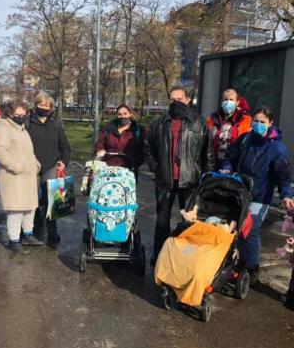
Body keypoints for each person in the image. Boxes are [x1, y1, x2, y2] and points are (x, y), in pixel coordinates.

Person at [223, 106, 294, 285]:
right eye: (256, 121)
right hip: (239, 192)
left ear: (270, 123)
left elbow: (283, 177)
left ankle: (252, 266)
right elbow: (230, 156)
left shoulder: (277, 149)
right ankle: (234, 259)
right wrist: (226, 167)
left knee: (250, 230)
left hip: (259, 198)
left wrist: (286, 195)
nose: (258, 124)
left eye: (263, 122)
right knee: (231, 226)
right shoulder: (245, 139)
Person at [145, 86, 215, 264]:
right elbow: (148, 148)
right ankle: (159, 256)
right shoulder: (159, 123)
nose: (176, 102)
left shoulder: (199, 123)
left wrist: (207, 175)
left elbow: (208, 152)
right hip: (165, 180)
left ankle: (186, 258)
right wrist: (156, 167)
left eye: (180, 99)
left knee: (189, 222)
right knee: (162, 221)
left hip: (190, 180)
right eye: (172, 99)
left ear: (188, 100)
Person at [0, 102, 43, 253]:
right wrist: (17, 167)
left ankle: (28, 234)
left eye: (24, 115)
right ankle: (14, 240)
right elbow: (0, 153)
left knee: (29, 207)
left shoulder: (22, 129)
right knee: (16, 209)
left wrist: (35, 164)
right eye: (18, 115)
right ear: (9, 113)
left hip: (28, 175)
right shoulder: (2, 129)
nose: (21, 117)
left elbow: (29, 151)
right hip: (13, 176)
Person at [26, 91, 71, 245]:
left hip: (51, 166)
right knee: (31, 199)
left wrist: (64, 161)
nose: (44, 108)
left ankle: (52, 229)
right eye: (41, 105)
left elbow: (65, 146)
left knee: (51, 199)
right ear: (35, 105)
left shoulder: (55, 124)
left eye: (48, 106)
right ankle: (30, 227)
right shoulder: (27, 123)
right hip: (31, 166)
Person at [94, 104, 145, 178]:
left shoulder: (137, 130)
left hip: (128, 170)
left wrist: (135, 163)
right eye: (119, 114)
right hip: (107, 168)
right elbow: (100, 142)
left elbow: (143, 150)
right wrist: (100, 150)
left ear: (130, 114)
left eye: (125, 113)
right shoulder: (108, 127)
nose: (122, 116)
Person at [206, 88, 252, 168]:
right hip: (213, 163)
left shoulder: (245, 120)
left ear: (237, 102)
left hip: (234, 164)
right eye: (225, 99)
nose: (228, 102)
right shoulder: (212, 119)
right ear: (222, 102)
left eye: (231, 99)